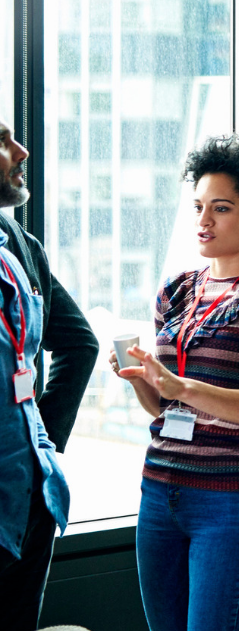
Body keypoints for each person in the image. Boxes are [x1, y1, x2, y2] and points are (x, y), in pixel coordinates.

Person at [109, 135, 239, 631]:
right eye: (199, 206)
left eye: (220, 209)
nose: (203, 221)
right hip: (159, 491)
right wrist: (140, 380)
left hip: (231, 501)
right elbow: (164, 410)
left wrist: (183, 389)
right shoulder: (177, 290)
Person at [0, 118, 98, 629]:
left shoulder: (20, 244)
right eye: (0, 141)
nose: (22, 151)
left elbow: (81, 346)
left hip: (28, 497)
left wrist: (43, 440)